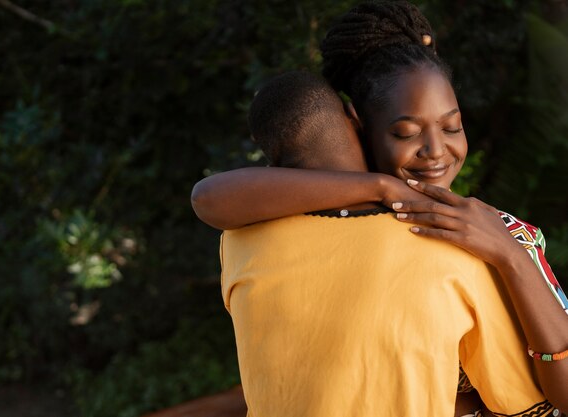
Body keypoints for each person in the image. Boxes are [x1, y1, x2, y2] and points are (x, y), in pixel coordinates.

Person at [192, 2, 568, 416]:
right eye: (404, 132)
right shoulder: (445, 250)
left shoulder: (494, 235)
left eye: (452, 126)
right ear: (358, 124)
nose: (436, 151)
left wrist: (511, 255)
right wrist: (383, 187)